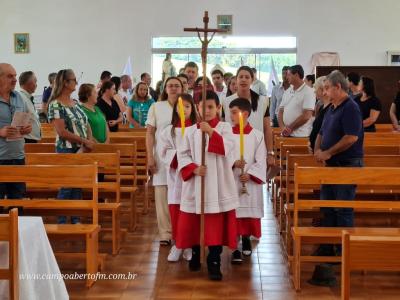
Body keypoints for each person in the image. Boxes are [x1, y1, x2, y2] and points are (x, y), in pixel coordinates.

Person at [176, 90, 239, 281]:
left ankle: (214, 261)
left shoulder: (225, 128)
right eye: (203, 107)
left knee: (214, 227)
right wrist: (194, 168)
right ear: (197, 108)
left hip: (218, 186)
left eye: (211, 107)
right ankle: (195, 254)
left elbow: (228, 149)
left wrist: (210, 132)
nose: (207, 110)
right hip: (197, 184)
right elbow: (182, 154)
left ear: (219, 108)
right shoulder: (191, 131)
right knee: (195, 224)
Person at [313, 70, 364, 256]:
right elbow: (321, 133)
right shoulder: (333, 107)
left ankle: (344, 251)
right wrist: (318, 150)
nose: (324, 92)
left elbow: (351, 137)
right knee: (327, 207)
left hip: (346, 165)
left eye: (327, 88)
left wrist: (328, 152)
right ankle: (328, 247)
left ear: (338, 87)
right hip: (331, 166)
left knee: (343, 209)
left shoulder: (350, 107)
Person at [47, 69, 94, 224]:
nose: (76, 82)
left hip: (81, 147)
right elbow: (61, 131)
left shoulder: (74, 103)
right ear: (65, 83)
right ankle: (61, 221)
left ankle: (75, 218)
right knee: (67, 185)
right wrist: (83, 141)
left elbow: (85, 122)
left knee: (77, 185)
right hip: (66, 148)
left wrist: (88, 141)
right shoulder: (55, 104)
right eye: (74, 80)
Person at [159, 93, 197, 262]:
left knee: (190, 212)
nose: (184, 110)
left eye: (187, 106)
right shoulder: (169, 130)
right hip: (175, 177)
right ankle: (177, 244)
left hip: (191, 177)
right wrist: (176, 157)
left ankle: (187, 245)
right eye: (180, 107)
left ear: (193, 109)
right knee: (176, 212)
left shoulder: (197, 129)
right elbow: (163, 151)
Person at [146, 76, 183, 245]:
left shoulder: (187, 106)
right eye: (170, 86)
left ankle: (181, 232)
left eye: (177, 86)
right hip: (161, 157)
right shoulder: (156, 106)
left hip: (182, 156)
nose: (174, 88)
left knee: (181, 195)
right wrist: (150, 156)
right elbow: (149, 133)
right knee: (162, 194)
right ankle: (165, 234)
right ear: (165, 89)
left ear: (182, 88)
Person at [228, 98, 266, 264]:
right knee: (233, 214)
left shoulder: (257, 135)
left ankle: (246, 239)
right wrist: (232, 164)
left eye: (234, 112)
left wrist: (250, 174)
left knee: (247, 214)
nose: (231, 116)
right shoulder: (226, 134)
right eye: (231, 112)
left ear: (245, 114)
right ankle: (234, 247)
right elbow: (222, 157)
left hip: (248, 182)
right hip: (231, 180)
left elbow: (261, 159)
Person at [223, 66, 274, 166]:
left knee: (253, 178)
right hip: (232, 150)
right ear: (236, 79)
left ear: (252, 80)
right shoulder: (226, 102)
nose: (243, 79)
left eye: (247, 77)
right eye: (240, 77)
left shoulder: (262, 101)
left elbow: (267, 128)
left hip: (256, 149)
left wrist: (270, 153)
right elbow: (223, 127)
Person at [0, 63, 32, 202]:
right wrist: (0, 131)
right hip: (0, 159)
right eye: (9, 76)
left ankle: (18, 224)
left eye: (15, 76)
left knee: (18, 201)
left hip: (18, 157)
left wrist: (27, 128)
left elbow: (27, 120)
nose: (14, 80)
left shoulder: (19, 97)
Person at [278, 65, 315, 137]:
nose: (286, 77)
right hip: (286, 133)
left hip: (300, 136)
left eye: (289, 75)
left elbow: (306, 116)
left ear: (297, 75)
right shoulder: (288, 91)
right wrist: (282, 128)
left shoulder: (309, 92)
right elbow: (280, 111)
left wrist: (290, 128)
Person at [309, 76, 331, 152]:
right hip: (315, 149)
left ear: (322, 90)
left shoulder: (331, 108)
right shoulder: (321, 107)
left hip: (322, 150)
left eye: (316, 89)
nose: (314, 92)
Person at [18, 71, 41, 143]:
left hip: (31, 139)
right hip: (27, 139)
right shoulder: (21, 98)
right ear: (28, 83)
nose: (36, 85)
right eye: (35, 81)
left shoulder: (27, 97)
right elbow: (19, 125)